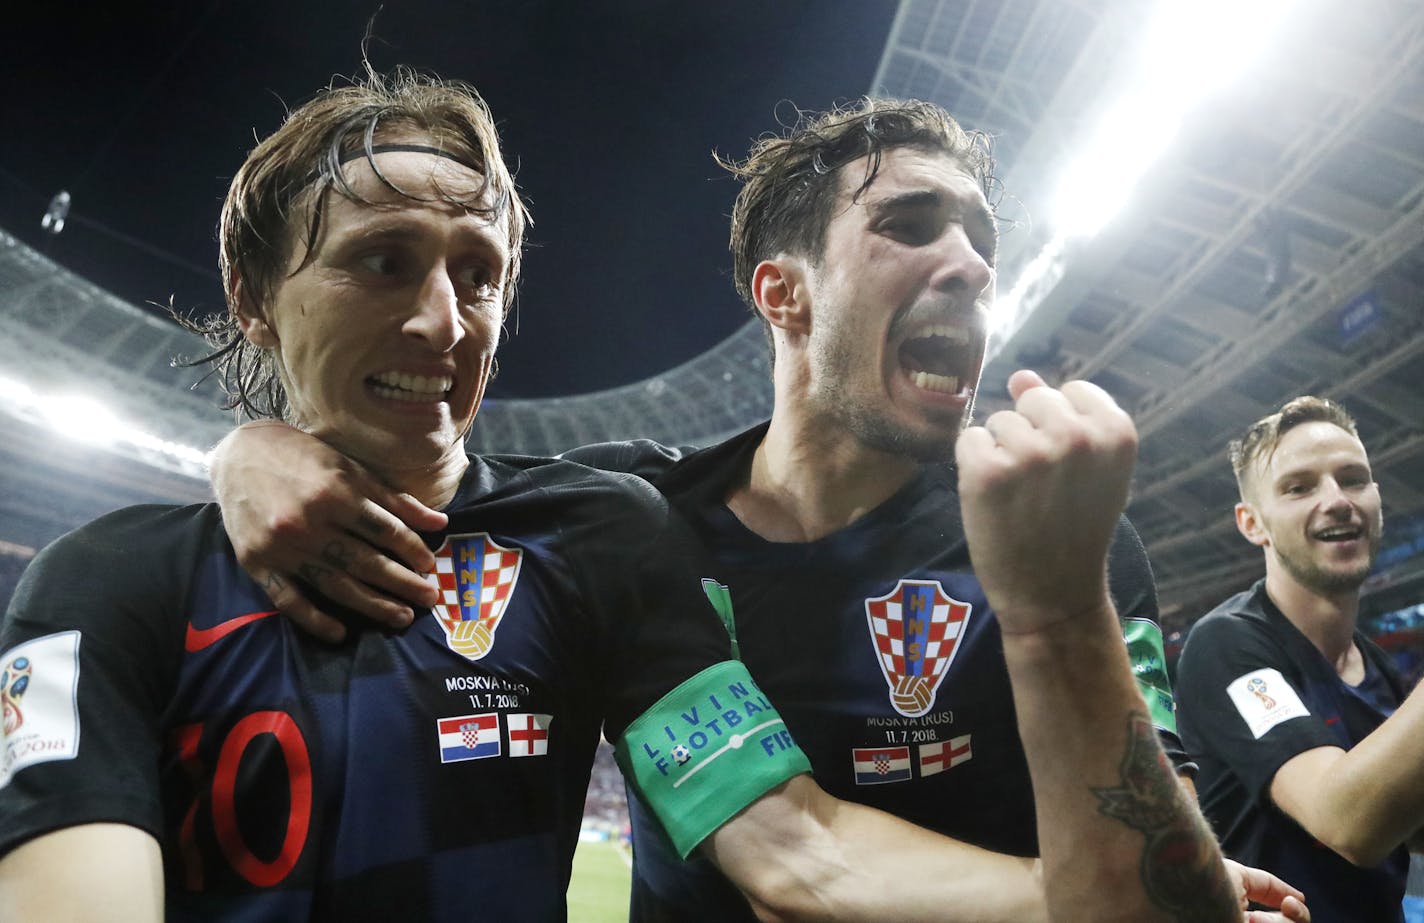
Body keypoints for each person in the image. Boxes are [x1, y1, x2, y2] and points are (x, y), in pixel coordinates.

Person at [201, 97, 1312, 922]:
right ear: (781, 292)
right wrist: (253, 447)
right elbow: (412, 461)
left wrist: (1059, 605)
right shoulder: (625, 519)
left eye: (979, 236)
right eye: (910, 223)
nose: (970, 263)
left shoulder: (1058, 543)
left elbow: (1166, 890)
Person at [0, 71, 1031, 923]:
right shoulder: (103, 581)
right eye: (382, 261)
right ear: (253, 296)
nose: (441, 322)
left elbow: (796, 851)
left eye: (478, 273)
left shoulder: (597, 536)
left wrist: (1146, 895)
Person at [1176, 396, 1419, 923]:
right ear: (1252, 523)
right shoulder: (1228, 644)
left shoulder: (1378, 669)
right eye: (1299, 486)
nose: (1336, 500)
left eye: (1353, 478)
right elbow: (1347, 823)